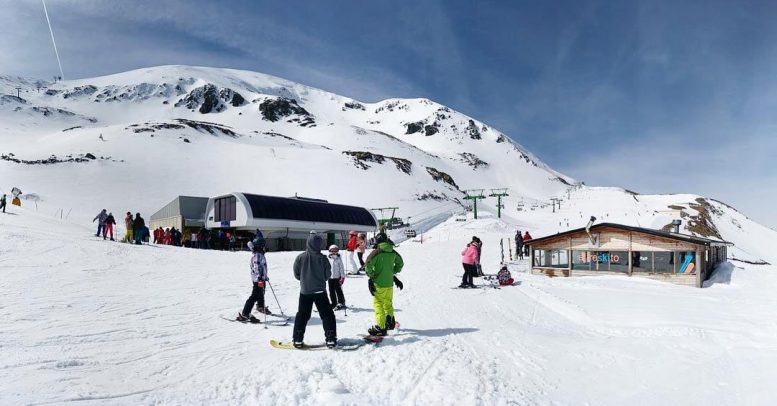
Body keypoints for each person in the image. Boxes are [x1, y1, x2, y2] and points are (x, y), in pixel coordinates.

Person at [292, 232, 337, 349]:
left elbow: (296, 274)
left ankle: (297, 339)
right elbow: (328, 275)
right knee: (327, 315)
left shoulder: (300, 257)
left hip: (305, 291)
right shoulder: (323, 259)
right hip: (320, 291)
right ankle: (331, 338)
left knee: (302, 315)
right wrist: (319, 279)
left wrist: (305, 280)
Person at [365, 234, 404, 336]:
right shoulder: (392, 250)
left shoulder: (377, 251)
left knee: (378, 304)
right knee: (388, 303)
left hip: (378, 283)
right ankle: (390, 323)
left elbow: (368, 264)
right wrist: (393, 271)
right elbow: (400, 263)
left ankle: (381, 327)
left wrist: (372, 276)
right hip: (389, 283)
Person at [236, 239, 268, 322]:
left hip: (261, 278)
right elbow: (257, 267)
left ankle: (260, 306)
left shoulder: (259, 254)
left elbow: (262, 267)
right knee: (254, 296)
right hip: (258, 280)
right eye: (263, 245)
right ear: (259, 246)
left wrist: (264, 276)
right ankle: (245, 313)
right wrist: (260, 278)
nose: (264, 247)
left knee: (261, 292)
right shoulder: (257, 255)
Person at [327, 245, 347, 310]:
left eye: (335, 251)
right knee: (331, 291)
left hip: (337, 278)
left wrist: (342, 277)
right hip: (330, 278)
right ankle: (333, 303)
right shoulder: (328, 259)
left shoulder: (338, 259)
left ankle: (341, 302)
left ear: (337, 251)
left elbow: (341, 268)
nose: (334, 252)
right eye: (332, 251)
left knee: (338, 290)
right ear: (330, 251)